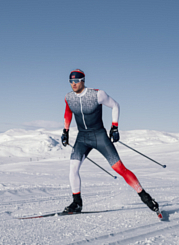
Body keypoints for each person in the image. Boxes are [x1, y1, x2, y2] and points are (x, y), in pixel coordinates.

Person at [61, 69, 159, 214]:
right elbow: (68, 112)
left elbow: (115, 105)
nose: (73, 84)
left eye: (76, 81)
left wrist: (114, 127)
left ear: (83, 80)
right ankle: (77, 203)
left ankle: (146, 197)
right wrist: (66, 131)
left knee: (120, 169)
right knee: (73, 168)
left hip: (99, 136)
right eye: (71, 81)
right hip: (82, 138)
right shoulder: (69, 97)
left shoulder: (97, 94)